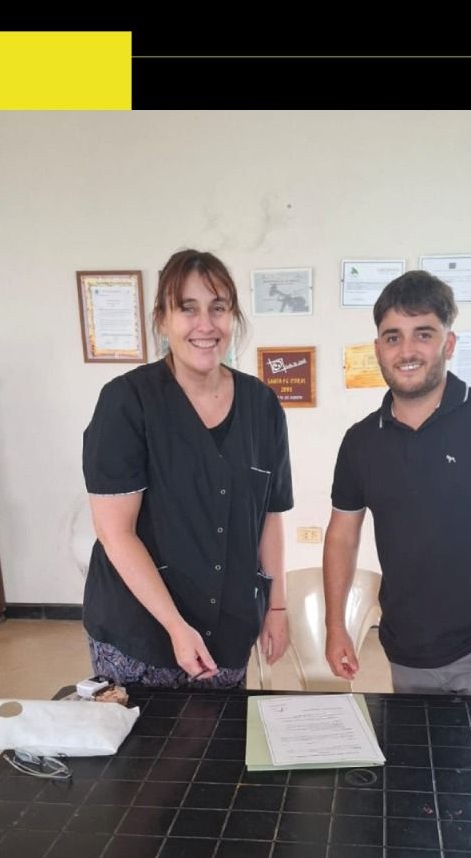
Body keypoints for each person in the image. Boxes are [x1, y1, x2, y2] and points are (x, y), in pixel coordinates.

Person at [323, 269, 471, 698]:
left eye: (423, 334)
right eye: (393, 337)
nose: (407, 350)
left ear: (448, 344)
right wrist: (335, 626)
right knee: (417, 745)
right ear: (378, 349)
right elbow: (342, 535)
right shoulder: (360, 441)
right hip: (405, 650)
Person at [82, 248, 293, 689]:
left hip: (229, 631)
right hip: (141, 634)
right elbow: (116, 533)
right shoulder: (127, 402)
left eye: (218, 308)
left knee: (221, 734)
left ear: (233, 317)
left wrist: (277, 608)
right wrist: (176, 626)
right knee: (147, 736)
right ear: (162, 319)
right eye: (188, 308)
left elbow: (269, 515)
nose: (205, 324)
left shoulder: (262, 405)